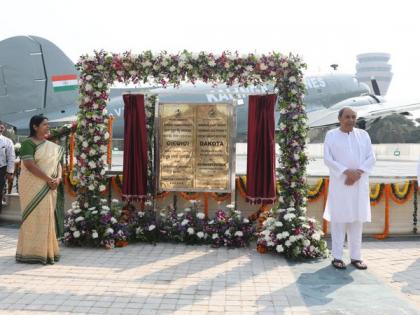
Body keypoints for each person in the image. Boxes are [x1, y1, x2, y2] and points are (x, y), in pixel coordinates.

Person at [323, 107, 376, 270]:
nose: (351, 120)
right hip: (341, 184)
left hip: (359, 184)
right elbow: (328, 159)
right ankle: (337, 257)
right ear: (340, 118)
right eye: (347, 117)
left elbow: (371, 157)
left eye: (353, 117)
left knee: (357, 221)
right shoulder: (331, 135)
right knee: (339, 221)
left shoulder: (363, 135)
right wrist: (346, 172)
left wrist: (357, 173)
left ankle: (356, 257)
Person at [15, 115, 63, 264]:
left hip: (49, 186)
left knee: (47, 217)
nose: (47, 127)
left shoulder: (50, 146)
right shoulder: (28, 143)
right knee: (32, 218)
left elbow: (57, 165)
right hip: (33, 186)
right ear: (35, 127)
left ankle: (47, 252)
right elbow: (29, 165)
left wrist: (58, 179)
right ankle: (30, 252)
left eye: (48, 124)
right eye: (44, 124)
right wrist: (49, 179)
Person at [0, 121, 15, 212]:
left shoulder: (8, 141)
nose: (0, 129)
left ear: (3, 129)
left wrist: (10, 172)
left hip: (1, 169)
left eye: (1, 127)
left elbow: (11, 157)